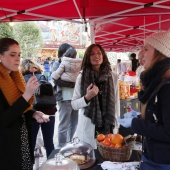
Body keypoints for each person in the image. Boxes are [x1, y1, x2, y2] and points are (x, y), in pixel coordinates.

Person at [118, 30, 170, 169]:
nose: (141, 54)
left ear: (160, 53)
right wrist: (141, 116)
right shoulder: (159, 80)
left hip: (163, 161)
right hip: (154, 156)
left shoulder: (167, 85)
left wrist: (135, 123)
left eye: (146, 49)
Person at [0, 38, 50, 170]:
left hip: (22, 143)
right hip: (6, 150)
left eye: (19, 55)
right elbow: (4, 119)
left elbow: (18, 109)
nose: (17, 59)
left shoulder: (16, 77)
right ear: (0, 56)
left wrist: (33, 113)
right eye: (12, 55)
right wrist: (27, 94)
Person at [71, 44, 120, 149]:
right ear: (88, 58)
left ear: (103, 55)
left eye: (99, 53)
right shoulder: (82, 77)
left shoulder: (113, 76)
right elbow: (74, 104)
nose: (96, 56)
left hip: (108, 125)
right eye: (92, 54)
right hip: (90, 127)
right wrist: (87, 97)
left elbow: (116, 103)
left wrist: (117, 125)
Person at [20, 59, 56, 158]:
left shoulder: (22, 79)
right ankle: (51, 165)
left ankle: (30, 165)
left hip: (32, 112)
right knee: (49, 142)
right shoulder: (43, 77)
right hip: (49, 111)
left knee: (31, 143)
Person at [51, 43, 78, 148]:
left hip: (75, 98)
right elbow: (56, 80)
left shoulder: (75, 64)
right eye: (68, 53)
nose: (70, 55)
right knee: (64, 125)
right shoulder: (57, 64)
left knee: (74, 123)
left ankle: (69, 144)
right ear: (62, 53)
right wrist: (72, 84)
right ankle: (61, 147)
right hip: (64, 98)